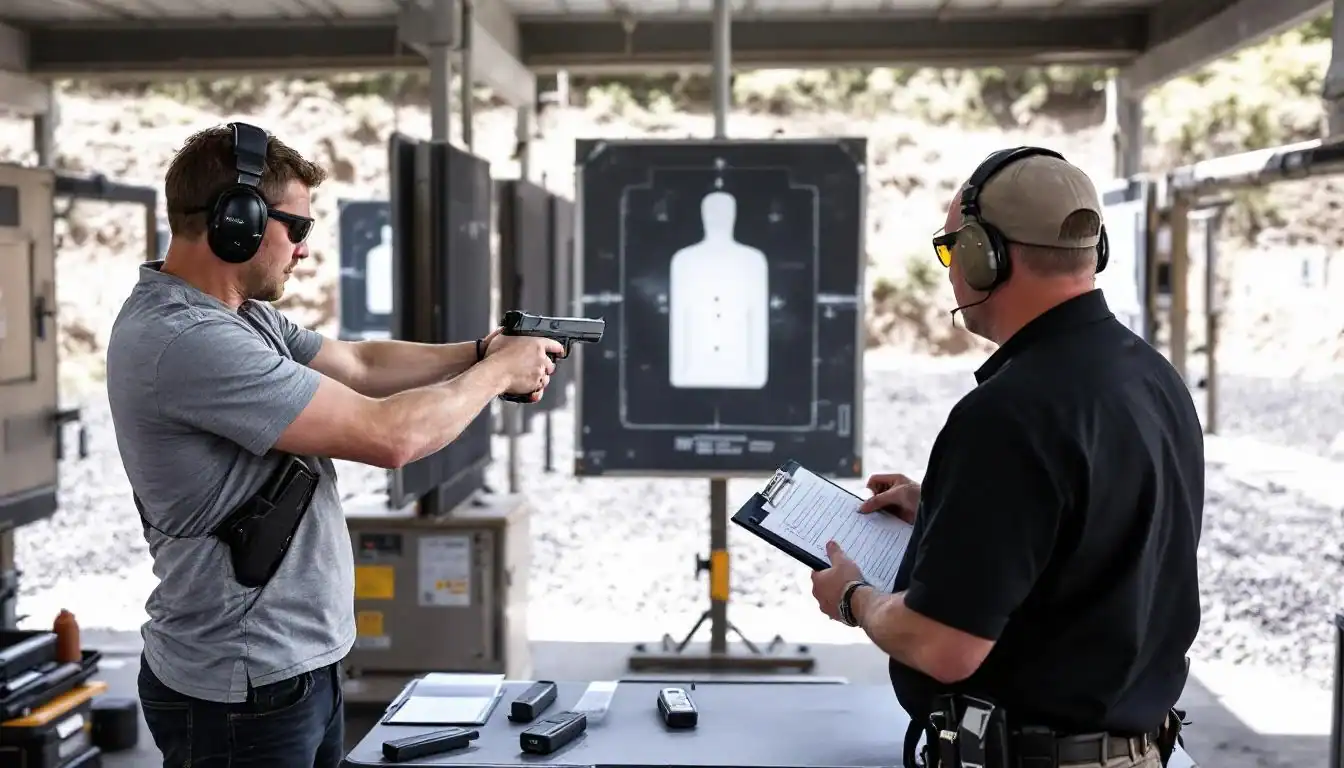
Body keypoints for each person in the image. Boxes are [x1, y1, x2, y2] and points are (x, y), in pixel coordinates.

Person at [106, 122, 561, 767]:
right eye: (297, 228)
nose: (303, 250)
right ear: (236, 221)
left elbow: (362, 365)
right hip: (248, 681)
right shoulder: (188, 341)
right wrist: (496, 375)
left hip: (289, 665)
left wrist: (482, 351)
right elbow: (391, 436)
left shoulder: (239, 316)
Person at [809, 148, 1203, 768]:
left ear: (982, 255)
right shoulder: (1151, 378)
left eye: (949, 249)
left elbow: (943, 645)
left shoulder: (1010, 411)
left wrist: (853, 596)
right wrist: (945, 507)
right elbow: (1093, 533)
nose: (949, 270)